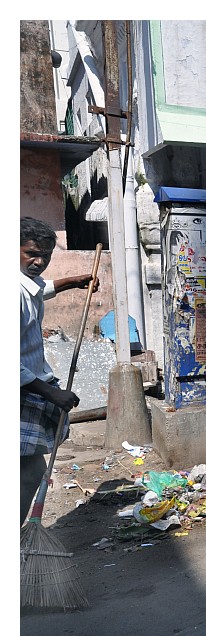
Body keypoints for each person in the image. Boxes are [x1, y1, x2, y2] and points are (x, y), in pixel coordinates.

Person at [20, 217, 100, 526]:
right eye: (31, 254)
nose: (40, 262)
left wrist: (72, 281)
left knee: (30, 471)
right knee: (28, 474)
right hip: (24, 390)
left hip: (28, 386)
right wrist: (51, 392)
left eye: (47, 255)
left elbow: (39, 290)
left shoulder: (25, 285)